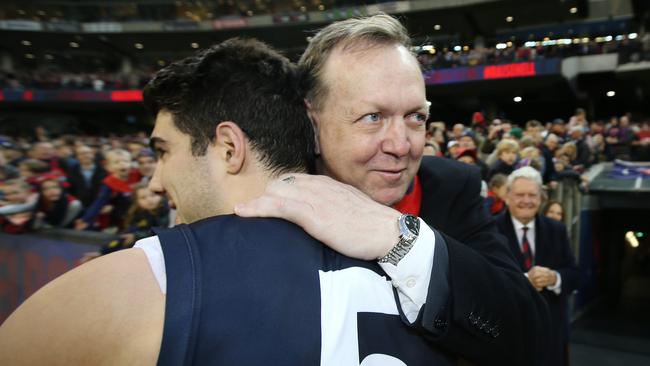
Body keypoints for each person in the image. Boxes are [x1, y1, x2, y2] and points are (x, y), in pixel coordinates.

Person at [0, 38, 451, 365]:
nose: (156, 181)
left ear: (230, 148)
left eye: (163, 151)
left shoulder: (150, 278)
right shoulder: (421, 274)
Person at [235, 14, 549, 365]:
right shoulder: (269, 203)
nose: (402, 145)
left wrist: (402, 242)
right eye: (373, 117)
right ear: (312, 124)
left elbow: (529, 329)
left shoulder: (452, 187)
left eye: (416, 116)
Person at [495, 167, 581, 366]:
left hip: (549, 336)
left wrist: (555, 278)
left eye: (532, 195)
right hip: (507, 335)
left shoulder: (557, 230)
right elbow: (484, 278)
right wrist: (525, 280)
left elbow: (575, 274)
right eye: (520, 195)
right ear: (507, 197)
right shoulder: (490, 230)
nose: (526, 200)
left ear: (541, 198)